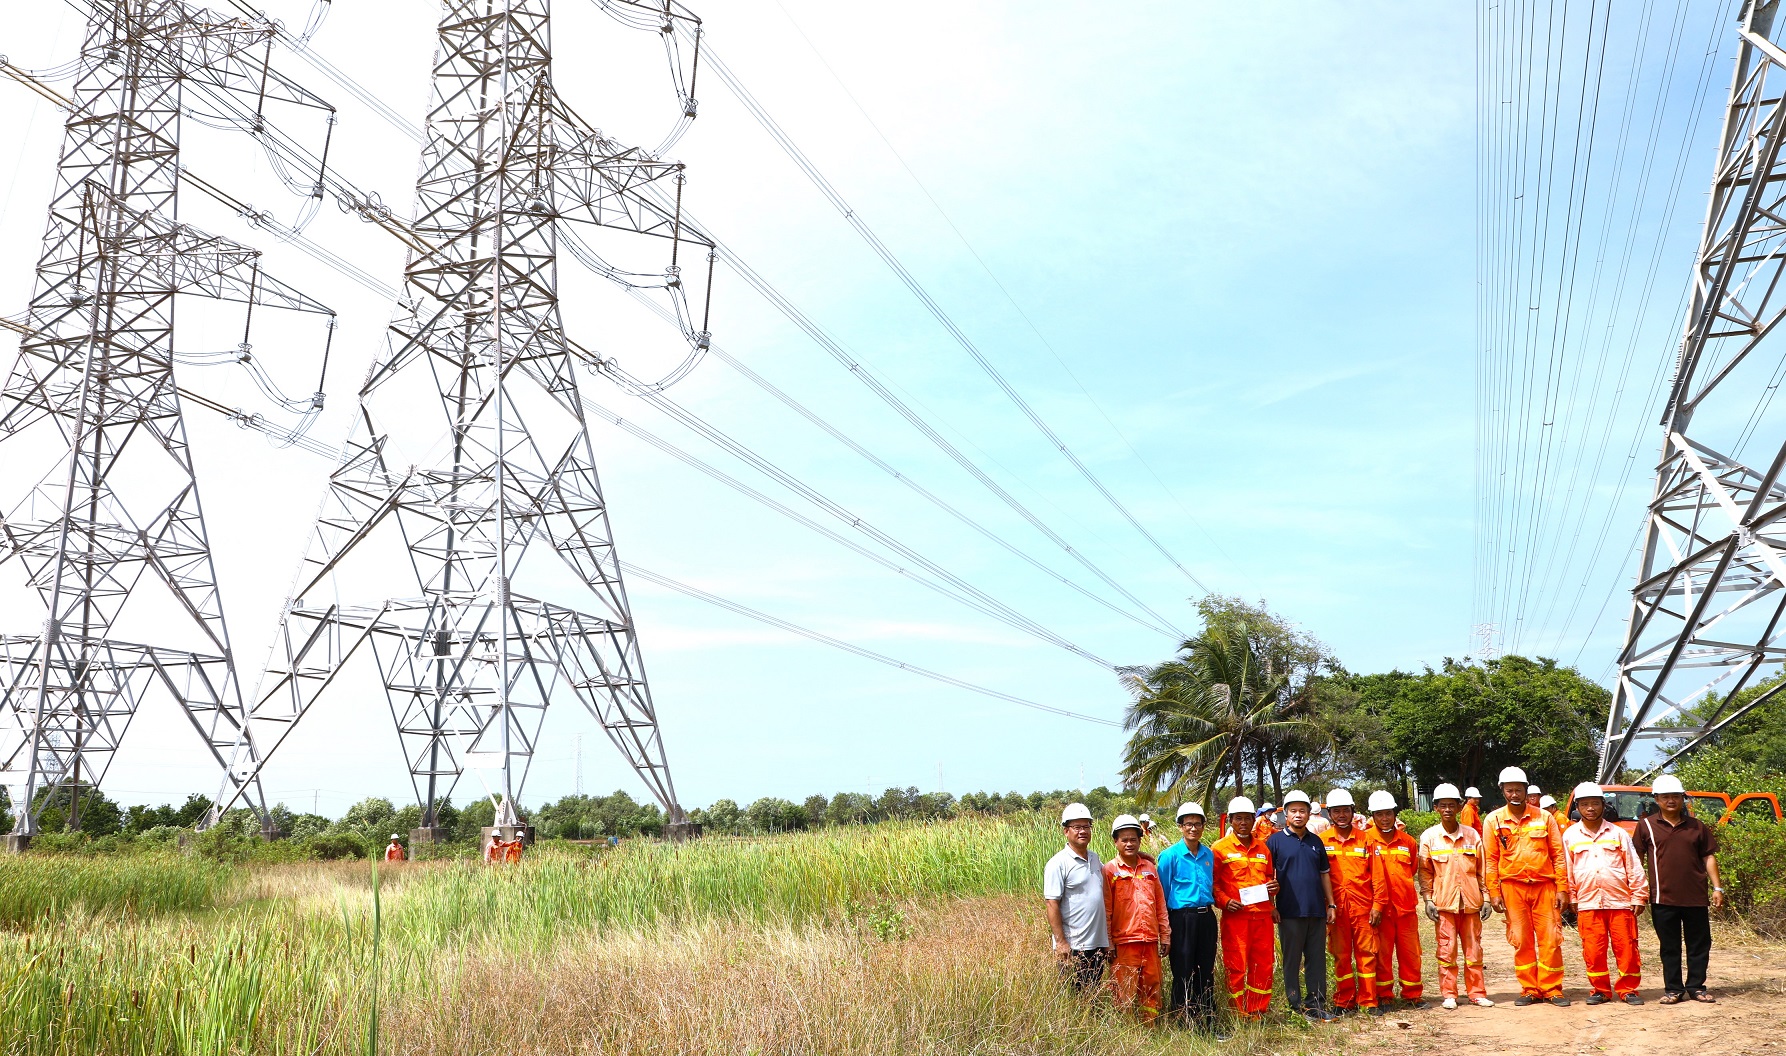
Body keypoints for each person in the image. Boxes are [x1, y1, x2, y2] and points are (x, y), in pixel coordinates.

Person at [1631, 774, 1724, 1005]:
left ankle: (1696, 987)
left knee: (1699, 944)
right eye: (1665, 797)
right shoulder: (1646, 826)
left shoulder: (1697, 826)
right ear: (1656, 799)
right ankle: (1673, 989)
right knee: (1669, 946)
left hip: (1696, 897)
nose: (1670, 800)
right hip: (1663, 898)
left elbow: (1708, 857)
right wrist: (1638, 891)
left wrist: (1717, 887)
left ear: (1682, 799)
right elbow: (1636, 860)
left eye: (1675, 796)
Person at [1485, 765, 1569, 1006]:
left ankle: (1552, 988)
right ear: (1502, 791)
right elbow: (1490, 859)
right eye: (1509, 790)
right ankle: (1529, 989)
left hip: (1545, 886)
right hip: (1513, 888)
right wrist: (1493, 891)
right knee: (1521, 940)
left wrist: (1562, 887)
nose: (1514, 794)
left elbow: (1558, 854)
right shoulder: (1493, 820)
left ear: (1526, 790)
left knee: (1551, 938)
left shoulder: (1545, 817)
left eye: (1518, 790)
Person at [1563, 782, 1648, 1006]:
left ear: (1603, 805)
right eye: (1584, 804)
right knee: (1593, 950)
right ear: (1577, 808)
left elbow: (1633, 865)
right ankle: (1600, 990)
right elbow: (1567, 869)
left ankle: (1628, 989)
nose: (1590, 808)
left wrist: (1639, 895)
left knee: (1627, 947)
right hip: (1588, 902)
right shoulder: (1570, 835)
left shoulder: (1618, 833)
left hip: (1620, 902)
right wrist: (1572, 896)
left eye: (1594, 803)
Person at [1419, 784, 1493, 1010]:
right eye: (1443, 805)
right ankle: (1449, 994)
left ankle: (1477, 993)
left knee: (1474, 951)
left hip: (1470, 903)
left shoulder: (1472, 835)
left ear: (1460, 806)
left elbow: (1483, 869)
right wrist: (1428, 899)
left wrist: (1487, 897)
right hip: (1444, 904)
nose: (1448, 809)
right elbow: (1425, 872)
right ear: (1436, 808)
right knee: (1446, 950)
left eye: (1452, 805)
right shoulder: (1429, 837)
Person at [1266, 790, 1336, 1023]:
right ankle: (1295, 1006)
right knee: (1292, 960)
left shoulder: (1316, 841)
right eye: (1293, 811)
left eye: (1302, 811)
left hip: (1316, 910)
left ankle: (1316, 1005)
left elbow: (1324, 875)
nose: (1298, 815)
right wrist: (1271, 906)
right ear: (1285, 814)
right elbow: (1266, 877)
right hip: (1289, 912)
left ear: (1309, 813)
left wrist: (1331, 904)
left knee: (1316, 959)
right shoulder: (1274, 841)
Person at [1212, 795, 1278, 1021]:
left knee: (1263, 963)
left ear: (1254, 820)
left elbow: (1269, 877)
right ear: (1230, 820)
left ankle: (1257, 1009)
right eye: (1238, 818)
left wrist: (1273, 888)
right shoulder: (1219, 849)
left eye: (1247, 818)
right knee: (1236, 964)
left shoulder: (1263, 848)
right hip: (1236, 917)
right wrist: (1223, 901)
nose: (1243, 823)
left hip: (1262, 917)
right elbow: (1213, 883)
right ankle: (1237, 1012)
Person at [1322, 789, 1386, 1016]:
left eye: (1345, 810)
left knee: (1367, 954)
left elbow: (1378, 876)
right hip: (1335, 909)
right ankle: (1344, 1001)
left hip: (1363, 908)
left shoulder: (1367, 840)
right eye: (1336, 811)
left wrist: (1378, 905)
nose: (1341, 815)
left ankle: (1368, 1000)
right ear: (1329, 813)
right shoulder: (1322, 841)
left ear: (1352, 812)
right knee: (1340, 956)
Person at [1157, 801, 1219, 1032]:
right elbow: (1161, 893)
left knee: (1205, 969)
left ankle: (1209, 1018)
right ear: (1181, 827)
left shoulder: (1208, 854)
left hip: (1206, 918)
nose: (1193, 828)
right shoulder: (1170, 856)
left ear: (1204, 826)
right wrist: (1163, 928)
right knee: (1183, 970)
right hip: (1181, 919)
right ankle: (1184, 1018)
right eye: (1188, 824)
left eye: (1197, 824)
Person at [1105, 814, 1171, 1023]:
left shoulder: (1150, 869)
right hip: (1124, 941)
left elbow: (1160, 904)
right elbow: (1106, 909)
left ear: (1140, 840)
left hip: (1150, 940)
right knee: (1123, 989)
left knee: (1151, 986)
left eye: (1133, 839)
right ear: (1115, 841)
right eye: (1124, 839)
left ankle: (1149, 1027)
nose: (1129, 843)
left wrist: (1165, 935)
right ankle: (1126, 1032)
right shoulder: (1110, 870)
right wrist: (1108, 942)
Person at [1366, 790, 1425, 1010]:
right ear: (1372, 816)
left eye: (1388, 813)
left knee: (1410, 953)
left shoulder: (1408, 841)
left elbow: (1412, 870)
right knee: (1382, 954)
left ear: (1394, 814)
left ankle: (1413, 995)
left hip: (1406, 908)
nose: (1384, 818)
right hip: (1380, 910)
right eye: (1379, 814)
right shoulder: (1367, 840)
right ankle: (1385, 995)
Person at [1045, 803, 1111, 992]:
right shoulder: (1058, 863)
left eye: (1086, 826)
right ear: (1066, 831)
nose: (1083, 831)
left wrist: (1139, 856)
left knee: (1093, 995)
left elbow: (1116, 869)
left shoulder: (1095, 859)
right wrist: (1061, 942)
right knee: (1074, 997)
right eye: (1077, 827)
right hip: (1073, 946)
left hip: (1097, 944)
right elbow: (1051, 904)